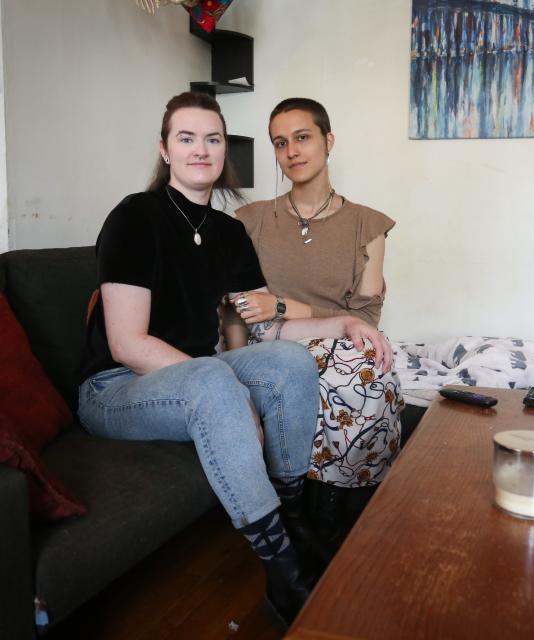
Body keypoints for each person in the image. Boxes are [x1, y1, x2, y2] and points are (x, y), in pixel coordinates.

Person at [77, 92, 391, 629]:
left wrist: (345, 322)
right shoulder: (135, 216)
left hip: (194, 374)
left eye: (213, 139)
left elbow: (269, 328)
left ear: (226, 150)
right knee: (215, 380)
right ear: (165, 149)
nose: (201, 150)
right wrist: (227, 383)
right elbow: (127, 343)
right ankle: (282, 567)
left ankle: (292, 513)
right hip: (117, 386)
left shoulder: (227, 233)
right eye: (187, 138)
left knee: (290, 362)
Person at [229, 98, 404, 539]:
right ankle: (313, 522)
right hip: (267, 343)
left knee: (372, 371)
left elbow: (363, 316)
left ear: (328, 141)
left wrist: (285, 304)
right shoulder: (248, 221)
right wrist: (231, 373)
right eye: (280, 143)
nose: (291, 152)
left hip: (335, 338)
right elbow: (236, 309)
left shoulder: (369, 225)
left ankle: (347, 516)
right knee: (353, 376)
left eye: (302, 138)